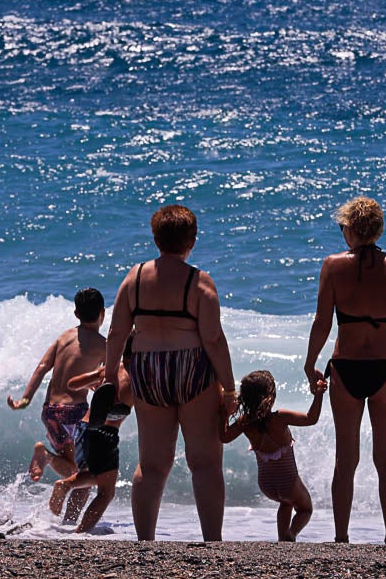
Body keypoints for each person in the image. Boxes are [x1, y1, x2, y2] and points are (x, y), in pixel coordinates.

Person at [104, 204, 238, 541]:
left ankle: (145, 542)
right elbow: (212, 338)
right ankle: (212, 541)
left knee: (152, 465)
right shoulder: (198, 281)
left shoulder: (134, 278)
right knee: (204, 463)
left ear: (155, 237)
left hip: (148, 371)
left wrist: (110, 375)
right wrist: (229, 388)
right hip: (192, 368)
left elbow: (118, 332)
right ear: (192, 240)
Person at [303, 196, 386, 545]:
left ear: (350, 230)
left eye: (343, 226)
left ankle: (341, 538)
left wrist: (310, 361)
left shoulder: (332, 266)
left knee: (346, 458)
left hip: (345, 367)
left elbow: (322, 321)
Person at [7, 288, 107, 523]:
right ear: (102, 313)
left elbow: (42, 368)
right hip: (75, 414)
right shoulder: (104, 345)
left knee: (73, 467)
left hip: (50, 410)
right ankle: (70, 522)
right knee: (84, 475)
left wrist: (25, 400)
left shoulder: (63, 338)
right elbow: (105, 378)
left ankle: (47, 459)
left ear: (76, 313)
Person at [221, 370, 327, 541]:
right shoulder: (280, 418)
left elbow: (224, 437)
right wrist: (319, 395)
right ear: (270, 397)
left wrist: (224, 413)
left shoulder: (244, 422)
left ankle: (282, 541)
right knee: (305, 509)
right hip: (288, 481)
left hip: (266, 484)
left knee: (285, 503)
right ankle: (291, 534)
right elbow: (311, 418)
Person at [48, 345, 135, 534]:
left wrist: (95, 384)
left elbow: (73, 383)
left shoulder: (109, 370)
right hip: (104, 433)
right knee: (106, 491)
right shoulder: (138, 377)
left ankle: (68, 519)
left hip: (83, 428)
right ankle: (81, 531)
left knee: (93, 475)